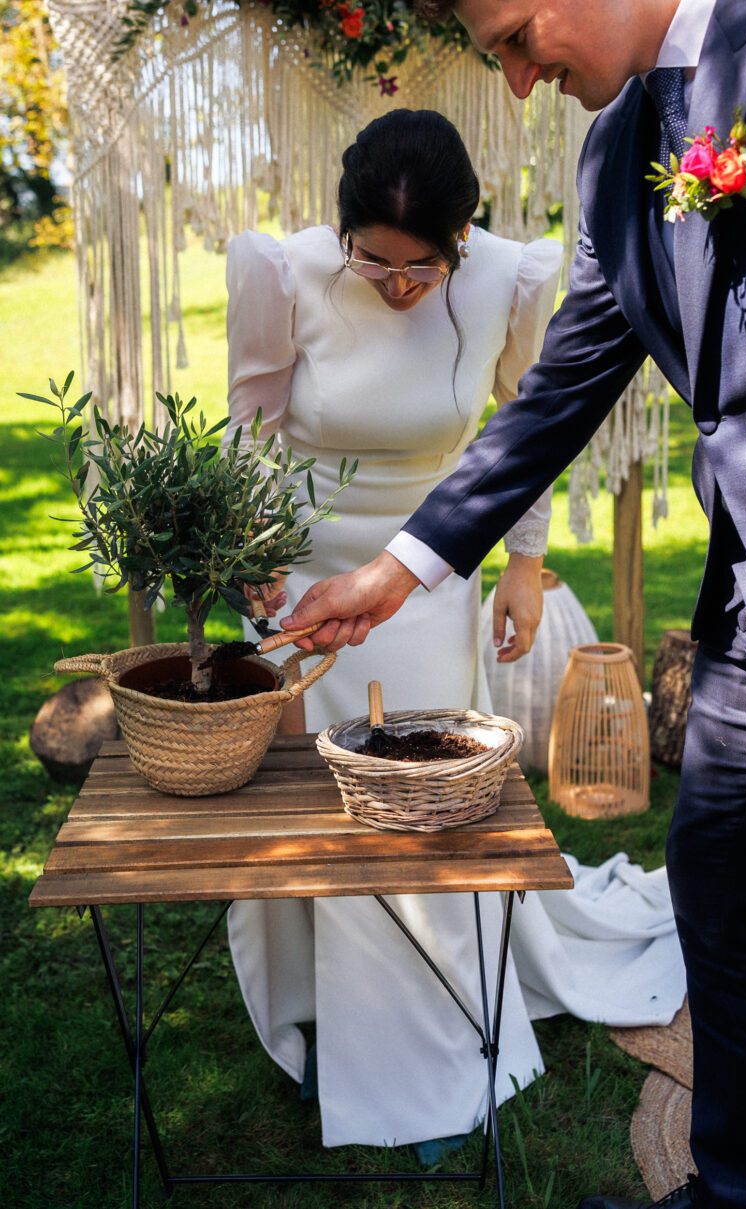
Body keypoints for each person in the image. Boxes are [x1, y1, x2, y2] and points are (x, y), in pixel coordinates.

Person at [280, 1, 746, 1207]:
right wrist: (395, 575)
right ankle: (739, 1183)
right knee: (720, 879)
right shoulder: (614, 159)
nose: (510, 80)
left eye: (510, 35)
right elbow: (554, 399)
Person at [223, 107, 563, 1149]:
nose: (401, 287)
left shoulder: (512, 277)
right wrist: (253, 552)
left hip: (430, 582)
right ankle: (316, 1009)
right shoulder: (281, 273)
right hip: (306, 588)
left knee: (419, 804)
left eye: (423, 268)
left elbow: (527, 421)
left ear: (462, 241)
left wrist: (526, 563)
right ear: (342, 230)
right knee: (308, 809)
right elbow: (251, 421)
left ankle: (429, 1027)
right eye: (374, 263)